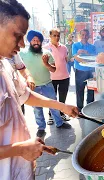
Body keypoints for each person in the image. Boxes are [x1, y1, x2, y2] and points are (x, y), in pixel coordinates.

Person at [0, 1, 78, 179]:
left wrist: (62, 107)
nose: (21, 44)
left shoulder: (5, 64)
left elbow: (25, 95)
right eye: (17, 36)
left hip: (20, 169)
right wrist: (20, 149)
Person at [19, 30, 72, 137]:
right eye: (34, 40)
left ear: (41, 42)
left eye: (38, 40)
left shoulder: (47, 53)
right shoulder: (22, 53)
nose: (36, 42)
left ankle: (59, 123)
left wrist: (46, 64)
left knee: (54, 105)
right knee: (37, 109)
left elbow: (53, 69)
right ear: (30, 41)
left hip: (47, 84)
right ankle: (41, 128)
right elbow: (19, 68)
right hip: (33, 86)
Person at [43, 28, 70, 122]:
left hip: (64, 77)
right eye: (54, 35)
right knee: (52, 99)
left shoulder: (64, 48)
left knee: (62, 98)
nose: (56, 37)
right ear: (50, 36)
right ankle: (51, 116)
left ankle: (61, 113)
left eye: (58, 35)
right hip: (51, 78)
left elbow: (66, 60)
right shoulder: (45, 48)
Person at [72, 29, 96, 112]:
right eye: (82, 35)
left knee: (91, 90)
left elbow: (94, 59)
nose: (84, 37)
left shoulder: (92, 47)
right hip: (80, 71)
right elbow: (76, 57)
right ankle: (79, 109)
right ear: (80, 35)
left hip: (90, 72)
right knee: (79, 91)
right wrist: (81, 55)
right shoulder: (75, 45)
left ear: (88, 36)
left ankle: (90, 109)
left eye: (86, 35)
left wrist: (86, 53)